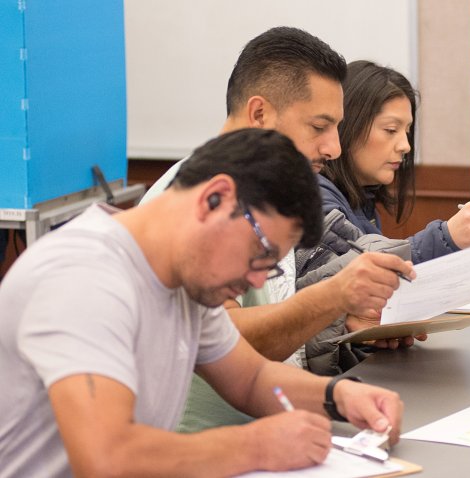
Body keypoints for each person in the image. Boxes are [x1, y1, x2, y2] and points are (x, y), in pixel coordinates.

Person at [0, 129, 405, 476]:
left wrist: (339, 397)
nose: (257, 278)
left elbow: (250, 379)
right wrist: (256, 445)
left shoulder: (184, 277)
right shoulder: (85, 278)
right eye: (259, 253)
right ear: (215, 199)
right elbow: (106, 459)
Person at [141, 27, 416, 430]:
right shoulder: (199, 202)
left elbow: (253, 363)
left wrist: (344, 339)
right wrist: (334, 297)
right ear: (259, 115)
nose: (334, 149)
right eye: (318, 126)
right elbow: (227, 337)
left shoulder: (267, 190)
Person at [318, 60, 470, 264]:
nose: (405, 146)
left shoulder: (362, 197)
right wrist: (446, 237)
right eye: (391, 130)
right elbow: (360, 271)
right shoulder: (316, 199)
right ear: (346, 126)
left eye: (407, 132)